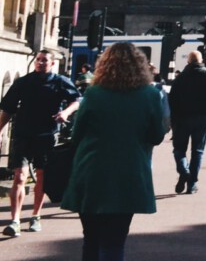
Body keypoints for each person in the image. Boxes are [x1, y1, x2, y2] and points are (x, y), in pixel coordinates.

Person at [60, 42, 167, 261]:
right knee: (114, 242)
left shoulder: (94, 93)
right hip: (129, 172)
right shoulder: (151, 95)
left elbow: (77, 134)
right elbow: (157, 136)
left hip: (92, 170)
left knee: (91, 239)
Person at [0, 49, 80, 237]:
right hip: (23, 133)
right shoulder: (23, 82)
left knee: (42, 175)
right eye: (38, 60)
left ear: (52, 63)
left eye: (44, 60)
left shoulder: (60, 82)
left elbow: (77, 100)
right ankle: (14, 220)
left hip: (47, 134)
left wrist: (66, 113)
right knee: (20, 176)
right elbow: (7, 108)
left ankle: (35, 215)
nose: (40, 63)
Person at [167, 50, 206, 195]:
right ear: (201, 61)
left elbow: (172, 101)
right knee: (197, 151)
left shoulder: (180, 78)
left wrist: (172, 121)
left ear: (188, 62)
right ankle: (192, 184)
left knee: (179, 149)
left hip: (182, 118)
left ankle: (184, 170)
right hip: (201, 118)